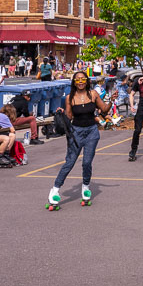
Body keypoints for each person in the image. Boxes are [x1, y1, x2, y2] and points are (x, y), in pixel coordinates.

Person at [49, 70, 110, 209]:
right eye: (78, 80)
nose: (81, 82)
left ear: (87, 81)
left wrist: (111, 101)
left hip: (92, 133)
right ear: (74, 82)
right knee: (69, 162)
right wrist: (62, 113)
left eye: (83, 79)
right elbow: (69, 117)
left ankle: (85, 188)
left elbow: (105, 109)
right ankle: (55, 190)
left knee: (87, 162)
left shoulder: (93, 94)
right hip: (76, 132)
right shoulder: (70, 98)